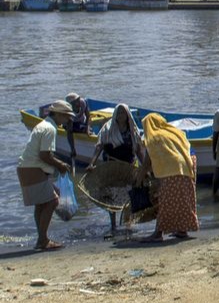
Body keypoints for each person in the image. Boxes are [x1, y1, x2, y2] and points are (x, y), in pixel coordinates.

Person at [17, 100, 74, 251]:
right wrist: (60, 165)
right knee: (52, 201)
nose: (68, 120)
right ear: (60, 115)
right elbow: (44, 155)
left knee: (42, 204)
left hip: (27, 168)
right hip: (33, 168)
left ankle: (42, 239)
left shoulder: (43, 125)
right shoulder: (50, 129)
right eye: (67, 117)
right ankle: (42, 240)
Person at [136, 113, 199, 242]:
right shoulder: (174, 132)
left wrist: (138, 180)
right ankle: (182, 230)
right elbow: (188, 149)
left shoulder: (153, 137)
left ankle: (158, 234)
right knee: (184, 200)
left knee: (165, 202)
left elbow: (147, 162)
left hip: (172, 169)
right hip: (188, 165)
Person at [87, 104, 143, 236]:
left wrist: (144, 166)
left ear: (128, 115)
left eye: (123, 113)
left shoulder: (132, 130)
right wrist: (91, 163)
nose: (120, 116)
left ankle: (128, 223)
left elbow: (139, 151)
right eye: (118, 113)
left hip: (127, 166)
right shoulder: (108, 128)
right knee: (110, 195)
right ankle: (113, 225)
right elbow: (99, 146)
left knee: (129, 195)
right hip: (111, 166)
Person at [64, 92, 91, 163]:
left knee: (85, 129)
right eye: (75, 102)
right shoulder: (68, 112)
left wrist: (87, 128)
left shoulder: (83, 103)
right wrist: (72, 149)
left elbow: (88, 116)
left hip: (80, 121)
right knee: (73, 128)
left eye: (78, 100)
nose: (78, 103)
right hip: (69, 123)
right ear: (70, 105)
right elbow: (69, 132)